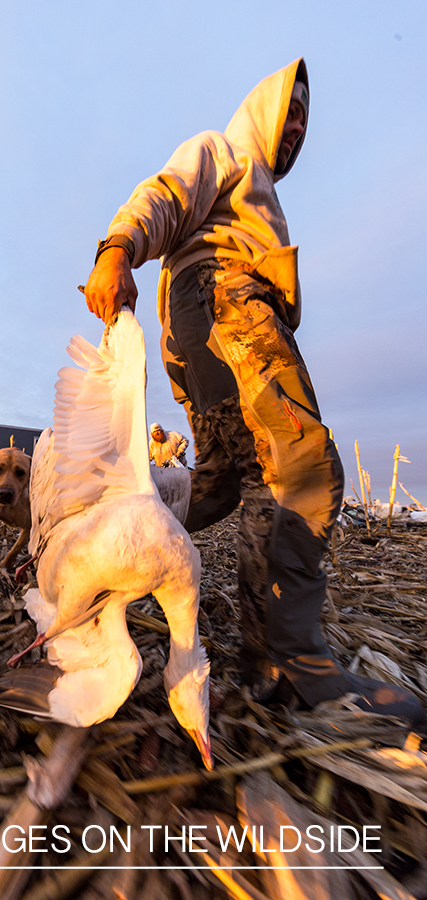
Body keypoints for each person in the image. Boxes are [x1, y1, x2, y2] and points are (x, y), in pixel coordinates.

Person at [84, 59, 425, 727]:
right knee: (298, 463)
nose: (295, 127)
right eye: (289, 112)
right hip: (227, 301)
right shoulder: (226, 148)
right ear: (264, 107)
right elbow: (168, 190)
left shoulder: (262, 187)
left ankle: (99, 556)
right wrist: (118, 246)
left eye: (305, 119)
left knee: (221, 484)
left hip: (204, 320)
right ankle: (285, 665)